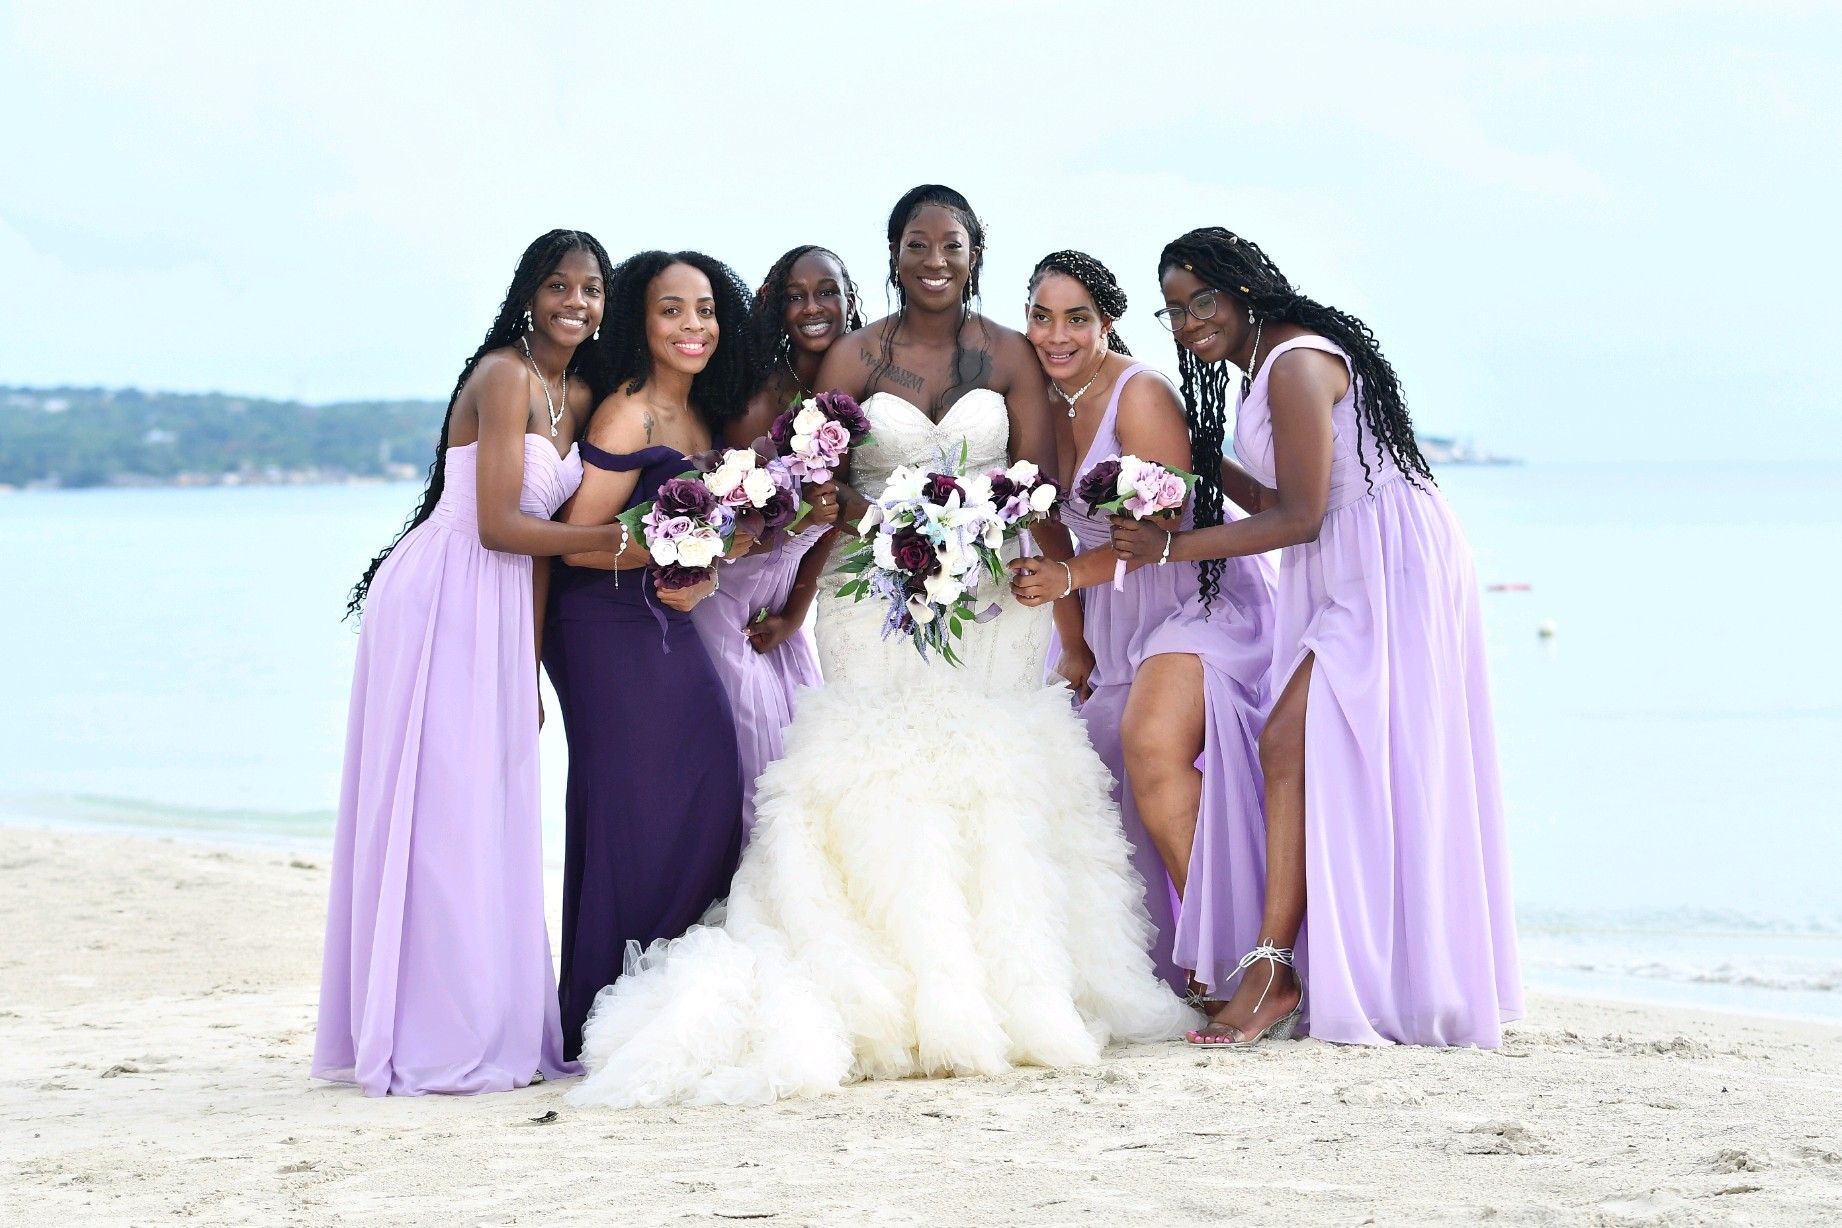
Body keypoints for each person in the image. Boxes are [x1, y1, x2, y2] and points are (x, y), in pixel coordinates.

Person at [566, 188, 1192, 1109]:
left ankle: (1009, 986)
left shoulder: (1010, 353)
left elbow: (1045, 483)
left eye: (952, 243)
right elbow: (818, 487)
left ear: (976, 253)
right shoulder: (855, 356)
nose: (934, 257)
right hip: (874, 599)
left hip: (987, 607)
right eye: (915, 243)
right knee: (878, 775)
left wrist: (1060, 606)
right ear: (893, 255)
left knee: (991, 776)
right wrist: (888, 525)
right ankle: (883, 991)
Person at [1110, 226, 1522, 1047]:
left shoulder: (1295, 362)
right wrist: (1200, 466)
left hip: (1388, 563)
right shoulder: (1258, 371)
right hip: (1350, 560)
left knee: (1292, 739)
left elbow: (1297, 518)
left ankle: (1279, 968)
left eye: (1203, 300)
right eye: (1174, 312)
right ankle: (1291, 964)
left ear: (1245, 288)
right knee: (1303, 747)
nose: (1191, 323)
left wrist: (1171, 546)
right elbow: (1278, 494)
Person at [315, 229, 619, 1095]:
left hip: (501, 608)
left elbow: (538, 559)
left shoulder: (580, 389)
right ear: (530, 293)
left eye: (591, 289)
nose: (576, 302)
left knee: (490, 815)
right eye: (559, 285)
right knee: (438, 815)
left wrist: (523, 669)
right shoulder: (502, 376)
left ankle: (492, 1019)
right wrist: (618, 541)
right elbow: (495, 525)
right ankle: (425, 1033)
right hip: (442, 595)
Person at [1009, 251, 1276, 1011]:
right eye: (1041, 316)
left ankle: (1244, 968)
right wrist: (1073, 641)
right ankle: (1177, 965)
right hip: (1111, 618)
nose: (1056, 335)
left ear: (1108, 321)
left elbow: (1153, 531)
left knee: (1152, 746)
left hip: (1195, 602)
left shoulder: (1142, 393)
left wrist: (1066, 582)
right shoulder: (1034, 401)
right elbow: (1049, 532)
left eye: (1077, 318)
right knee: (1085, 764)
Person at [542, 249, 757, 1061]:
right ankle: (601, 1009)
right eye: (672, 310)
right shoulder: (626, 413)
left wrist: (701, 569)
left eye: (703, 309)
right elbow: (577, 545)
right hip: (599, 626)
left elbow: (697, 546)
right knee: (634, 807)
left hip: (660, 618)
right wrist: (673, 553)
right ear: (641, 319)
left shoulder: (702, 415)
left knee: (709, 779)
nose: (692, 325)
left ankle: (663, 992)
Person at [688, 246, 862, 834]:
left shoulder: (853, 401)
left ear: (850, 298)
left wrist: (796, 613)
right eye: (795, 296)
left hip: (780, 610)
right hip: (727, 601)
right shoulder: (757, 399)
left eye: (827, 291)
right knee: (753, 781)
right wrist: (799, 519)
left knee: (803, 774)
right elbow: (724, 530)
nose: (813, 307)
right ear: (775, 309)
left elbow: (829, 522)